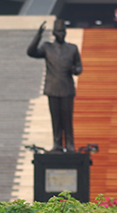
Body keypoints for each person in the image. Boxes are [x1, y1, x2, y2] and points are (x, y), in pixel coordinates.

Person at [26, 19, 83, 152]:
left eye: (63, 31)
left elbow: (79, 66)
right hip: (52, 88)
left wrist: (76, 70)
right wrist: (38, 35)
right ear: (53, 33)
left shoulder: (72, 48)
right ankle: (57, 143)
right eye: (59, 31)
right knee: (56, 119)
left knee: (67, 119)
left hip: (67, 88)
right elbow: (31, 52)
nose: (61, 34)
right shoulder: (47, 47)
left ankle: (69, 144)